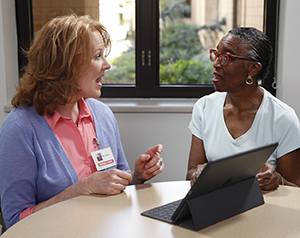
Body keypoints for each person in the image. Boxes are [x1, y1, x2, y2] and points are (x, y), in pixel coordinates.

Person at [0, 14, 164, 228]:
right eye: (97, 56)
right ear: (66, 65)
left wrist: (138, 175)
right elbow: (15, 221)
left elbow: (120, 185)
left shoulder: (103, 115)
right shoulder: (20, 129)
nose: (107, 65)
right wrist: (80, 189)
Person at [186, 27, 300, 190]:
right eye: (216, 54)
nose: (216, 63)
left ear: (253, 68)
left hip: (265, 211)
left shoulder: (283, 118)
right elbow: (191, 172)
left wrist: (278, 181)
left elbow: (296, 189)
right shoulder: (204, 107)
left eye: (226, 57)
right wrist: (198, 173)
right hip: (216, 208)